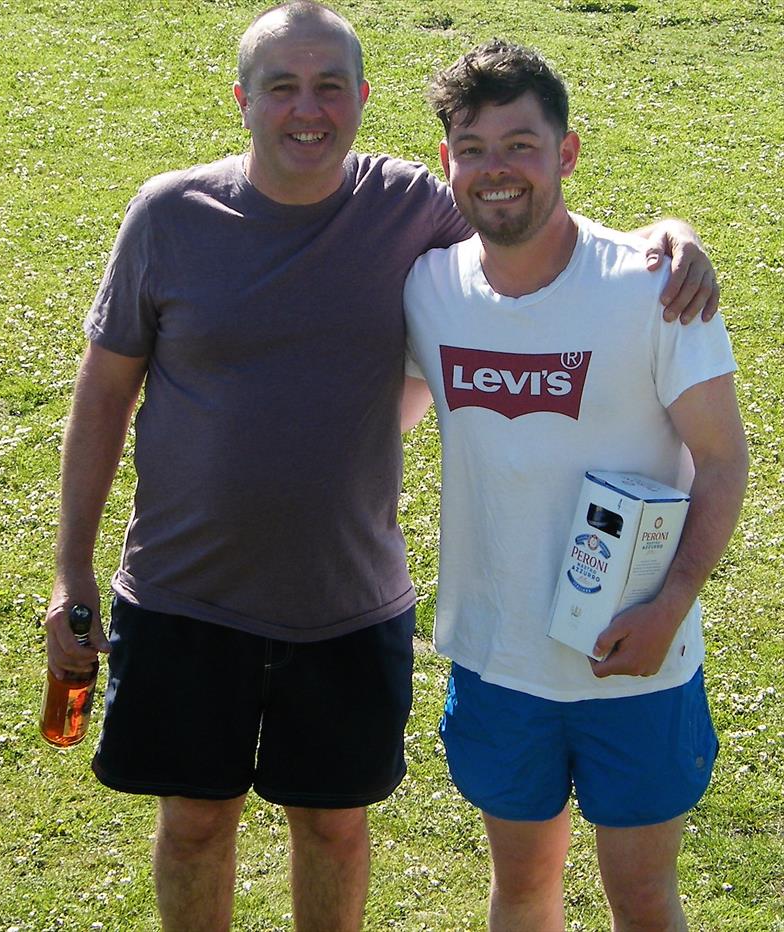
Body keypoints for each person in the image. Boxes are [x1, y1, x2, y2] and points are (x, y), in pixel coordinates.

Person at [44, 3, 721, 930]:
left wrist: (671, 233)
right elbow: (103, 397)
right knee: (195, 824)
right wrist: (70, 571)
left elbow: (534, 212)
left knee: (335, 830)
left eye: (330, 86)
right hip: (183, 594)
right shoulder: (171, 215)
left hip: (349, 602)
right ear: (243, 99)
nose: (306, 109)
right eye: (282, 86)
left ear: (363, 98)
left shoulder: (408, 209)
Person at [402, 40, 748, 931]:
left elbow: (724, 460)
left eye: (522, 144)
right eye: (473, 148)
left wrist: (671, 604)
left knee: (640, 896)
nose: (497, 169)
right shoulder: (427, 291)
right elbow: (372, 425)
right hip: (498, 658)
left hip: (637, 663)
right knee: (522, 890)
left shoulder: (655, 288)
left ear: (568, 152)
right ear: (448, 163)